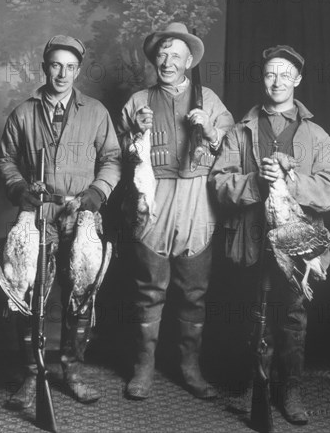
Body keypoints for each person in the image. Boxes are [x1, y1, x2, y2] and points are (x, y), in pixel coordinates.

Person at [210, 45, 330, 424]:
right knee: (254, 314)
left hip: (297, 244)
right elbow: (219, 184)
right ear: (262, 77)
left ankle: (291, 389)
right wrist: (255, 181)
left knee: (293, 317)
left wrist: (291, 181)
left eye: (285, 74)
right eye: (271, 73)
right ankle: (255, 385)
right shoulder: (241, 130)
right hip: (252, 239)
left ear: (298, 80)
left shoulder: (317, 136)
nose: (277, 81)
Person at [0, 35, 121, 408]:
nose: (62, 73)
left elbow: (112, 159)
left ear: (78, 71)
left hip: (80, 213)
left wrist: (95, 195)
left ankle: (72, 370)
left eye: (70, 67)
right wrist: (20, 190)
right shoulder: (23, 113)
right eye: (56, 65)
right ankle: (31, 373)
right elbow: (5, 160)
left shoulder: (96, 112)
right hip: (38, 214)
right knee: (29, 293)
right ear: (45, 67)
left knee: (79, 293)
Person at [117, 22, 234, 400]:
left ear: (188, 61)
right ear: (155, 59)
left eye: (176, 55)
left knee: (193, 291)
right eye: (162, 54)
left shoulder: (209, 99)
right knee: (149, 289)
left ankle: (189, 367)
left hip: (198, 197)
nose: (167, 61)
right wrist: (135, 134)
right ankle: (143, 366)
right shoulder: (137, 101)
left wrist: (210, 131)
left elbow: (232, 148)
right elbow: (115, 155)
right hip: (154, 194)